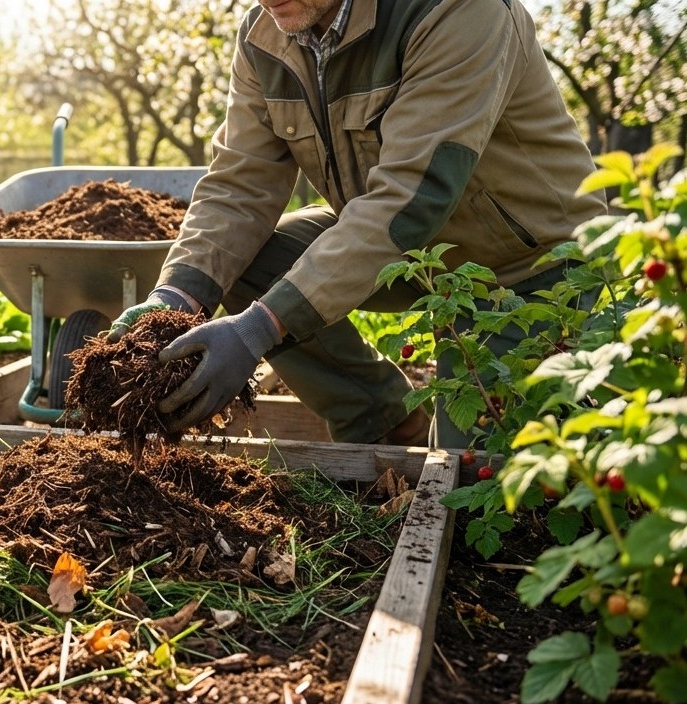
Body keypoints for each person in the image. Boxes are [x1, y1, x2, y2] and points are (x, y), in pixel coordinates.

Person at [106, 0, 607, 448]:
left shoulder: (456, 11)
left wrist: (259, 328)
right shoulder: (265, 36)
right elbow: (240, 184)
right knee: (253, 263)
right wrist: (174, 297)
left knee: (470, 481)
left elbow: (411, 196)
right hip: (404, 249)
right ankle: (383, 425)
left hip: (525, 263)